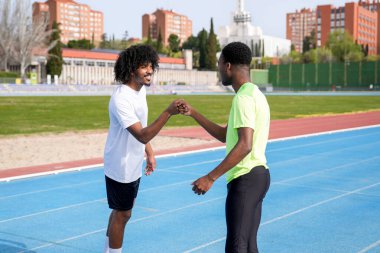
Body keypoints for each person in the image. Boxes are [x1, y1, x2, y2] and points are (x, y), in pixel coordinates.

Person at [178, 42, 271, 253]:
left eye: (219, 64)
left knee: (236, 246)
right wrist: (193, 113)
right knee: (248, 245)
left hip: (245, 178)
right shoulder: (255, 94)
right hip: (259, 175)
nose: (219, 69)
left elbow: (245, 145)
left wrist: (210, 177)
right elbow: (224, 135)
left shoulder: (243, 99)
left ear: (228, 66)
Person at [103, 44, 180, 253]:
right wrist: (168, 112)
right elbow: (142, 133)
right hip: (121, 164)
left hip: (133, 162)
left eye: (151, 66)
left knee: (120, 211)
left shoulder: (140, 91)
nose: (149, 71)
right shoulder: (122, 98)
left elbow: (141, 127)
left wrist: (149, 152)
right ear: (131, 69)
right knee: (123, 214)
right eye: (144, 66)